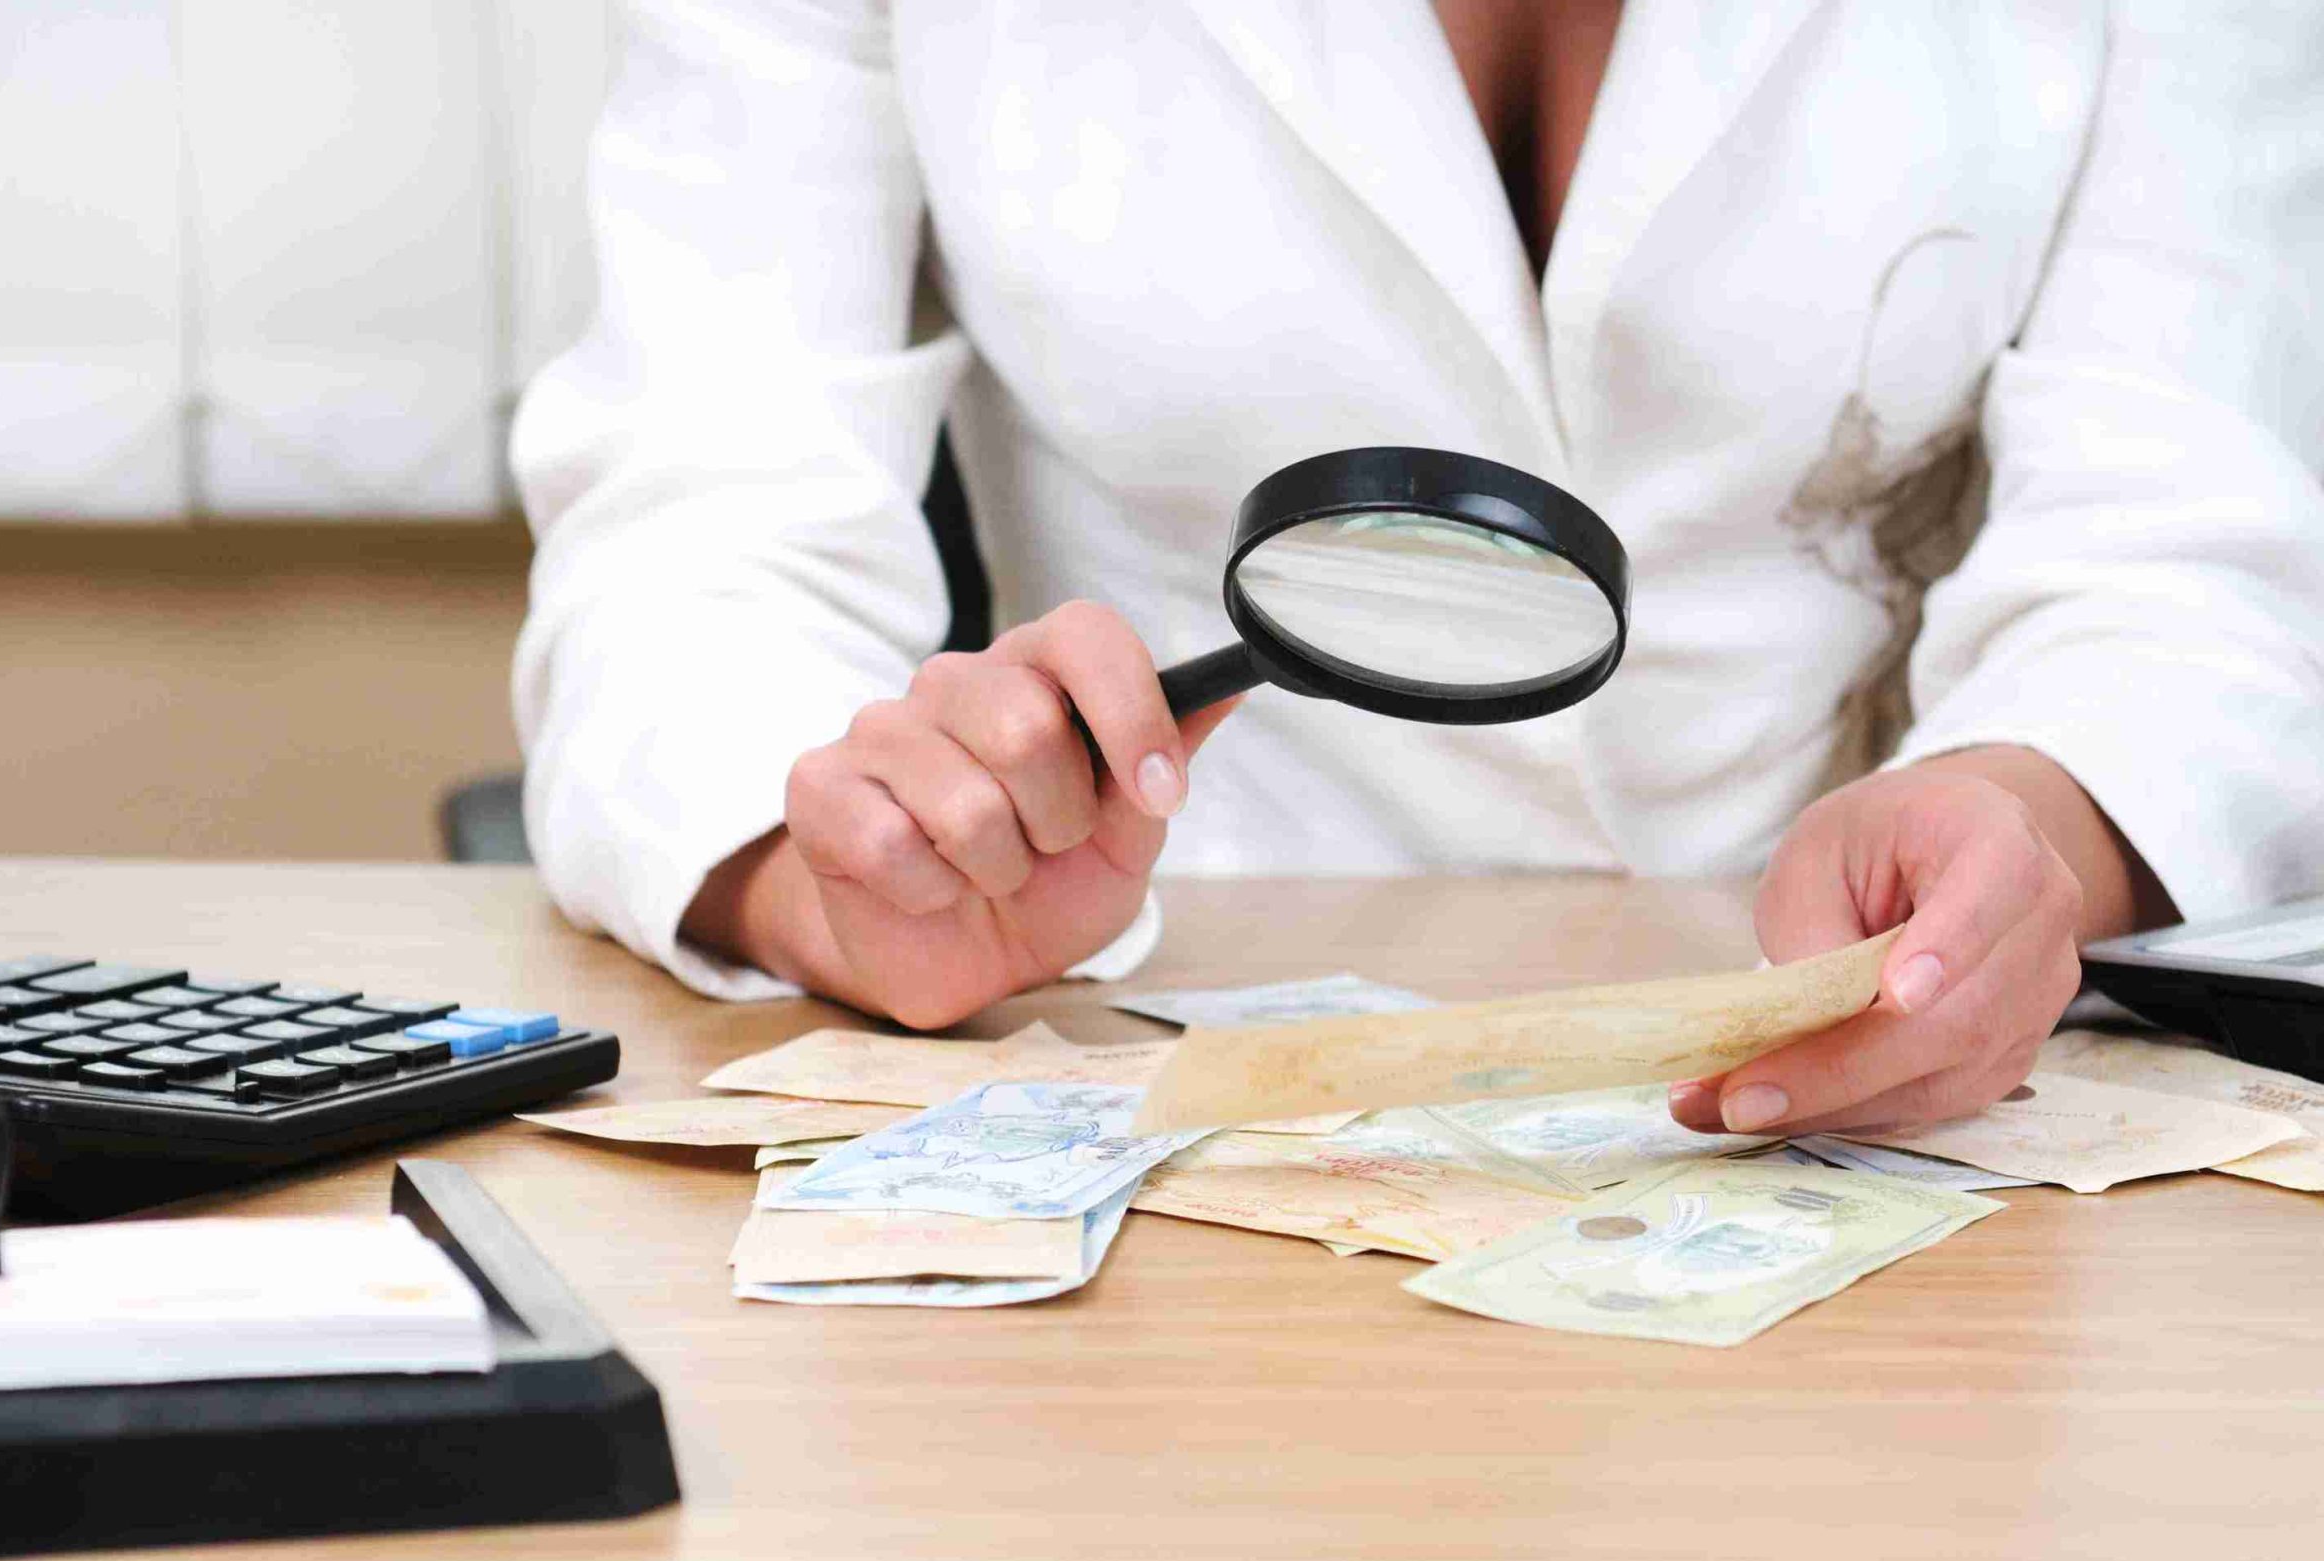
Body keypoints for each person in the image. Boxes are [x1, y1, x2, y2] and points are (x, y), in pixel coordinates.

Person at [510, 2, 2324, 1140]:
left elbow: (2186, 540)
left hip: (1867, 1070)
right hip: (1148, 1034)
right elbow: (700, 504)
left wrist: (2036, 824)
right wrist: (838, 880)